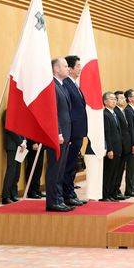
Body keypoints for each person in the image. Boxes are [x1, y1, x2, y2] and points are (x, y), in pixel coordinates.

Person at [46, 58, 73, 212]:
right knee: (55, 169)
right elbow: (52, 113)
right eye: (65, 66)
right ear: (56, 69)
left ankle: (59, 198)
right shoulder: (52, 86)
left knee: (61, 169)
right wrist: (58, 132)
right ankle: (53, 201)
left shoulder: (61, 85)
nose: (68, 68)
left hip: (65, 135)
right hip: (57, 135)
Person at [62, 55, 88, 206]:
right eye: (78, 66)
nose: (80, 69)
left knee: (72, 165)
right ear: (70, 68)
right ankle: (67, 194)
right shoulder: (65, 84)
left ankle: (71, 192)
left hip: (78, 131)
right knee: (69, 164)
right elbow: (68, 111)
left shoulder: (74, 84)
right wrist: (69, 133)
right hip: (71, 132)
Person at [1, 109, 26, 204]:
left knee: (17, 172)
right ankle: (5, 196)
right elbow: (10, 129)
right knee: (11, 171)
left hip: (20, 146)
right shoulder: (7, 112)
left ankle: (13, 194)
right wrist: (20, 142)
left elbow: (22, 128)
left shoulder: (18, 113)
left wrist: (24, 141)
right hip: (12, 145)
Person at [102, 92, 122, 201]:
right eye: (111, 99)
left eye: (115, 99)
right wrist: (109, 149)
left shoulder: (114, 113)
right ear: (105, 101)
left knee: (115, 172)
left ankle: (111, 193)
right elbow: (107, 134)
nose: (114, 101)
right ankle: (105, 195)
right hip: (111, 149)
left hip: (117, 147)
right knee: (108, 173)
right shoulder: (105, 114)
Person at [113, 91, 131, 200]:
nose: (123, 100)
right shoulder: (115, 111)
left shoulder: (122, 111)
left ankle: (117, 189)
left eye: (124, 98)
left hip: (125, 146)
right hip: (119, 145)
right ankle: (114, 190)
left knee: (120, 171)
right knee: (116, 171)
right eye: (121, 98)